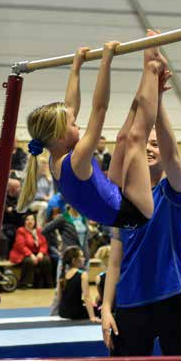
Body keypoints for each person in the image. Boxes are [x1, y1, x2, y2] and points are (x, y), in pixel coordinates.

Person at [101, 42, 181, 361]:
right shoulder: (122, 200)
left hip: (175, 301)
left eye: (155, 145)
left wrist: (158, 99)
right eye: (146, 143)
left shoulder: (176, 192)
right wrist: (105, 307)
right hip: (130, 306)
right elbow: (115, 259)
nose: (149, 147)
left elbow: (174, 153)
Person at [18, 33, 166, 229]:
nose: (77, 125)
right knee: (135, 138)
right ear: (60, 135)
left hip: (113, 193)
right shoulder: (76, 159)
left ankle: (151, 76)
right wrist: (106, 62)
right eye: (73, 125)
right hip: (134, 212)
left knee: (123, 137)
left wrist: (76, 67)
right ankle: (153, 68)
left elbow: (70, 106)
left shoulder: (56, 156)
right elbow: (100, 109)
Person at [9, 213, 52, 289]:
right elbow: (21, 246)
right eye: (27, 219)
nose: (30, 221)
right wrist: (31, 255)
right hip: (22, 254)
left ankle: (47, 284)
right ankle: (23, 284)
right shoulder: (21, 230)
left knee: (46, 260)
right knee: (29, 261)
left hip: (37, 253)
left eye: (32, 219)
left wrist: (41, 252)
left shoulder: (38, 231)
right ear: (24, 221)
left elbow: (44, 244)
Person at [57, 246, 99, 322]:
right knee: (99, 309)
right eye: (82, 256)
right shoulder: (83, 274)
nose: (84, 259)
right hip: (76, 313)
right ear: (74, 260)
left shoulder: (63, 275)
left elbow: (59, 297)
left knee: (87, 304)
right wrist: (92, 317)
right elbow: (87, 297)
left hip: (62, 313)